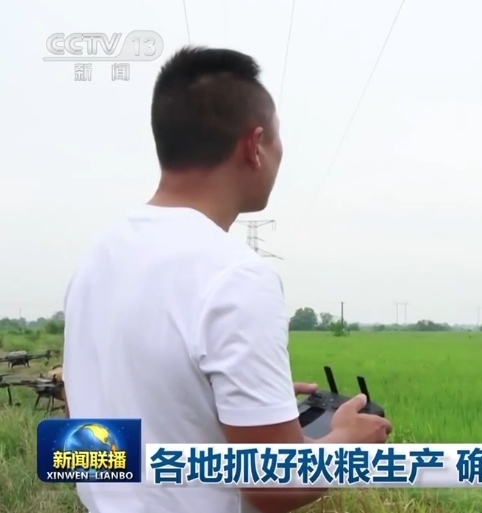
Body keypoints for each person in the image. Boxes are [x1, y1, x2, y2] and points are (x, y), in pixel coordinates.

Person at [62, 46, 392, 513]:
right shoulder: (236, 276)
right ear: (253, 146)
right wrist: (348, 443)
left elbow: (85, 439)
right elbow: (274, 487)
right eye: (277, 138)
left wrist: (232, 406)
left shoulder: (97, 259)